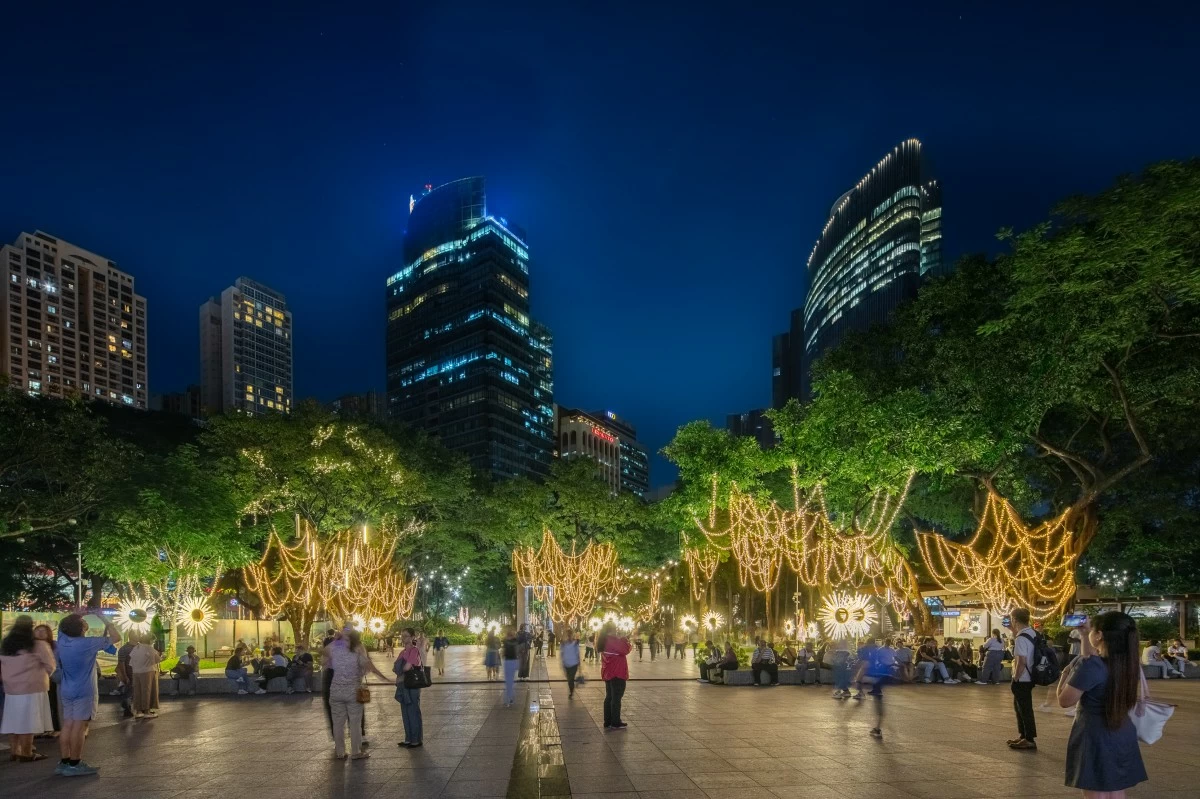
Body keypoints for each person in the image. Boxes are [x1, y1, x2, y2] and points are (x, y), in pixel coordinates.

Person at [1057, 612, 1148, 797]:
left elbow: (1065, 700)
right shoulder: (1128, 664)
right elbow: (1091, 661)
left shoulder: (1091, 666)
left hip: (1095, 735)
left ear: (1099, 635)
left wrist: (1065, 675)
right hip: (1121, 731)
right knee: (1115, 790)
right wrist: (1084, 634)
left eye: (1093, 630)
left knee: (1096, 791)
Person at [55, 611, 120, 776]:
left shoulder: (62, 641)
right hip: (84, 690)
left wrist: (78, 614)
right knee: (80, 726)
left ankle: (64, 762)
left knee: (68, 725)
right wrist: (103, 618)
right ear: (83, 627)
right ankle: (75, 763)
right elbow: (116, 637)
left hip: (66, 688)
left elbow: (64, 625)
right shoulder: (88, 643)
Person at [0, 616, 55, 762]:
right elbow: (51, 665)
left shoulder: (6, 644)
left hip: (11, 688)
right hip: (32, 687)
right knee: (29, 721)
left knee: (13, 720)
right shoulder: (37, 644)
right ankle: (26, 752)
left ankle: (14, 751)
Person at [328, 628, 387, 760]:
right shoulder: (357, 652)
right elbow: (369, 667)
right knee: (355, 722)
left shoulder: (334, 650)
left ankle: (340, 752)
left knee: (337, 722)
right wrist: (385, 679)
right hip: (353, 691)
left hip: (335, 691)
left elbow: (325, 658)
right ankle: (355, 751)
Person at [1008, 608, 1039, 751]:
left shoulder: (1021, 638)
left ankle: (1029, 739)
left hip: (1023, 678)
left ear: (1015, 619)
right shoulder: (1032, 633)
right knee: (1021, 707)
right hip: (1031, 676)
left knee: (1024, 708)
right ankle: (1023, 735)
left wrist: (1015, 677)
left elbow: (1021, 661)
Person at [394, 628, 425, 748]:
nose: (403, 638)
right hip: (403, 685)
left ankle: (416, 739)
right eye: (402, 636)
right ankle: (408, 738)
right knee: (405, 711)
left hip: (412, 684)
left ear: (412, 637)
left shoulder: (414, 650)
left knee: (413, 710)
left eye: (406, 636)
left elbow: (406, 667)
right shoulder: (402, 652)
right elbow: (397, 667)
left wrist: (400, 668)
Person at [599, 623, 631, 729]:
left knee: (609, 697)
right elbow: (626, 649)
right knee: (616, 698)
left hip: (608, 672)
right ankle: (615, 722)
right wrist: (623, 639)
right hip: (617, 672)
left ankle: (607, 721)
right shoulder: (613, 640)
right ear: (612, 630)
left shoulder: (604, 640)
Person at [32, 624, 62, 736]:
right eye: (38, 630)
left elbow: (58, 661)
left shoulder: (55, 645)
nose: (40, 632)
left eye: (43, 630)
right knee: (38, 705)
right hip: (37, 679)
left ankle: (56, 728)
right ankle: (39, 729)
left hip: (52, 677)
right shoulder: (31, 645)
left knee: (53, 703)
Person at [130, 633, 161, 718]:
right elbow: (155, 660)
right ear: (150, 640)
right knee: (147, 690)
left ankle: (139, 711)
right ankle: (147, 711)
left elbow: (131, 661)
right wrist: (161, 657)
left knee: (137, 691)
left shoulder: (136, 648)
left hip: (136, 672)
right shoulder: (149, 648)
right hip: (148, 671)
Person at [501, 628, 520, 707]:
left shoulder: (505, 641)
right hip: (514, 661)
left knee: (508, 682)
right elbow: (517, 651)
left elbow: (503, 653)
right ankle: (510, 698)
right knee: (511, 681)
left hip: (508, 662)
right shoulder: (516, 641)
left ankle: (508, 700)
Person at [560, 628, 581, 699]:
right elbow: (562, 653)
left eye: (570, 634)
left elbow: (578, 654)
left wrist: (579, 664)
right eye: (568, 635)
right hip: (566, 664)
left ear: (572, 635)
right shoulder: (563, 644)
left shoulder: (575, 643)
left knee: (570, 679)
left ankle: (571, 692)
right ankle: (571, 689)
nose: (569, 636)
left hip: (574, 664)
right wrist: (562, 663)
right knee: (569, 679)